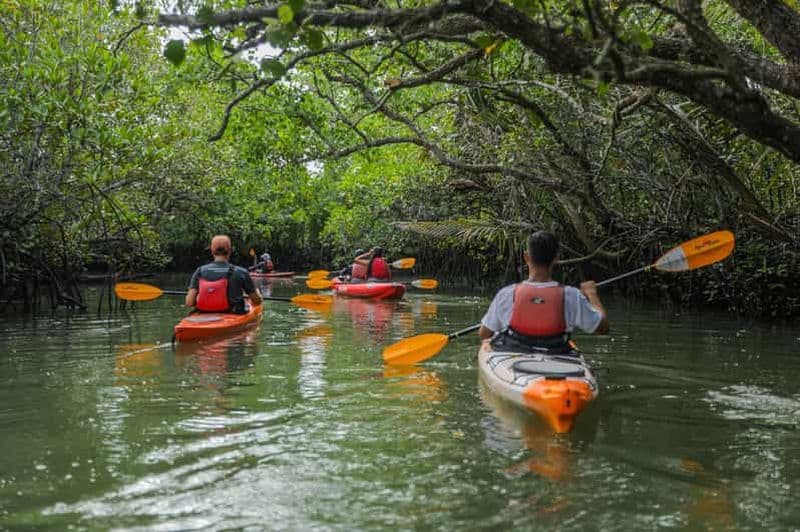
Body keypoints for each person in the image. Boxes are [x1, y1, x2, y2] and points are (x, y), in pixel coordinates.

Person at [479, 231, 608, 353]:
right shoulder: (572, 295)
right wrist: (592, 294)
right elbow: (602, 328)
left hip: (515, 357)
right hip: (556, 354)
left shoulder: (506, 294)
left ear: (526, 257)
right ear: (556, 258)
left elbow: (484, 334)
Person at [186, 235, 262, 313]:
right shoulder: (241, 272)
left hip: (204, 314)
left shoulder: (200, 271)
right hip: (233, 314)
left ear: (212, 250)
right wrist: (258, 294)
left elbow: (189, 302)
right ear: (230, 250)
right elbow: (256, 301)